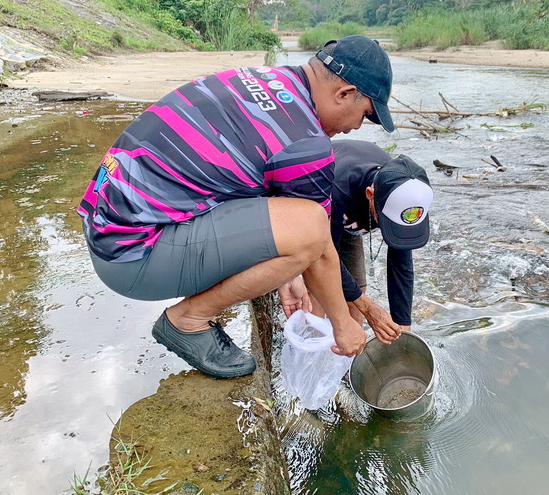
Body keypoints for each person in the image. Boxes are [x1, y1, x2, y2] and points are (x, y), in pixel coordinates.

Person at [77, 35, 394, 378]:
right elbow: (317, 243)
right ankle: (187, 320)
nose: (356, 128)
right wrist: (343, 325)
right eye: (364, 115)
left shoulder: (262, 79)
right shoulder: (305, 142)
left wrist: (287, 273)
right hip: (130, 260)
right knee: (310, 224)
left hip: (104, 224)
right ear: (344, 94)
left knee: (300, 226)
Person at [279, 140, 433, 344]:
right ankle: (314, 346)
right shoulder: (336, 188)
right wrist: (368, 307)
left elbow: (401, 265)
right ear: (370, 195)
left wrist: (403, 327)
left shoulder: (404, 192)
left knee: (357, 292)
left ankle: (350, 359)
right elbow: (322, 260)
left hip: (352, 220)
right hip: (321, 214)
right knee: (320, 293)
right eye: (387, 222)